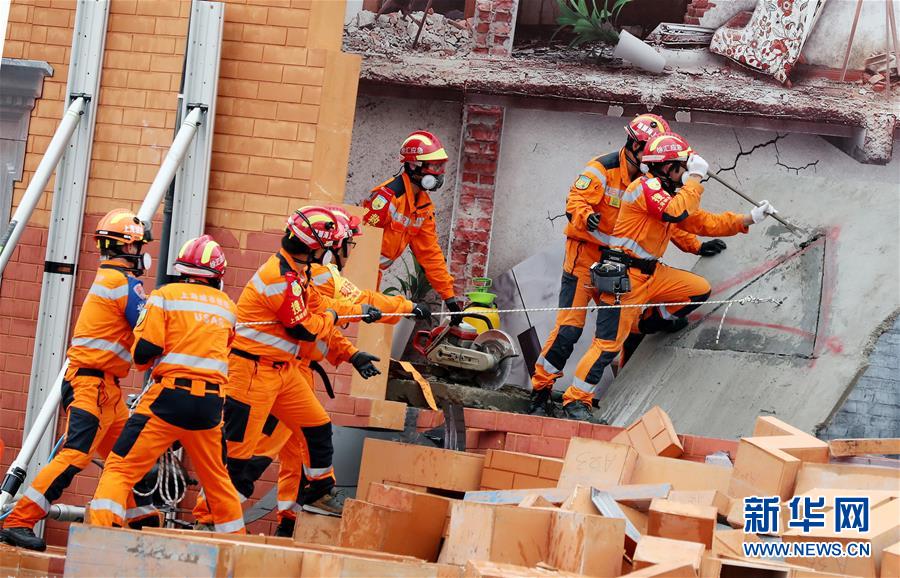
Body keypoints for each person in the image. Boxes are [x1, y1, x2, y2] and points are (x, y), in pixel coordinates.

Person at [248, 207, 432, 536]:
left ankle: (289, 519)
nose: (350, 251)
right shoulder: (319, 276)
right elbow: (350, 306)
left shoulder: (304, 275)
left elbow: (326, 322)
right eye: (349, 244)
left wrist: (352, 353)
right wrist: (406, 307)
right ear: (330, 247)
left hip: (289, 371)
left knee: (298, 447)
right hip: (275, 373)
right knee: (263, 450)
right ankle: (221, 513)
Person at [530, 115, 728, 421]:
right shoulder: (602, 169)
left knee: (614, 333)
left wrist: (696, 246)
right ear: (635, 145)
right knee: (569, 329)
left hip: (618, 267)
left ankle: (585, 392)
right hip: (585, 259)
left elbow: (665, 222)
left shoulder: (654, 182)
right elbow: (575, 201)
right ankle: (541, 390)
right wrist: (586, 217)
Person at [192, 206, 382, 524]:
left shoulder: (297, 272)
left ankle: (319, 490)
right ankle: (208, 520)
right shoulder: (280, 277)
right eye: (334, 246)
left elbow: (321, 306)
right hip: (251, 374)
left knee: (317, 426)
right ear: (316, 247)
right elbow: (304, 328)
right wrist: (336, 317)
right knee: (238, 459)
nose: (335, 252)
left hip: (282, 371)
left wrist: (358, 314)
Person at [567, 133, 777, 414]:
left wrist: (748, 218)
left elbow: (702, 221)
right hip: (626, 278)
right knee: (607, 345)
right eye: (683, 168)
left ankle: (646, 322)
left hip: (652, 273)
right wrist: (696, 178)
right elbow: (676, 212)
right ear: (668, 167)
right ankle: (575, 399)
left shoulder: (666, 193)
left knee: (697, 290)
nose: (686, 173)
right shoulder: (646, 187)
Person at [0, 209, 151, 550]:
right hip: (92, 387)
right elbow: (149, 334)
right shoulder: (124, 285)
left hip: (104, 389)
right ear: (128, 247)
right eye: (138, 246)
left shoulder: (112, 280)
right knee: (76, 455)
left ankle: (142, 526)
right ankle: (18, 520)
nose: (140, 252)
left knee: (127, 459)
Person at [87, 235, 246, 534]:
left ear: (182, 270)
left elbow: (145, 351)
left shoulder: (165, 296)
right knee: (218, 483)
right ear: (217, 275)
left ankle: (100, 537)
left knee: (120, 469)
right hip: (210, 406)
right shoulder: (227, 306)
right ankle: (237, 546)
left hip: (168, 399)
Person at [361, 130, 462, 312]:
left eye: (441, 166)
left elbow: (429, 253)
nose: (439, 174)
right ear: (414, 166)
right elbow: (361, 243)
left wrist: (450, 299)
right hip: (360, 274)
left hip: (373, 275)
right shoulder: (388, 197)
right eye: (434, 167)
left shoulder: (423, 207)